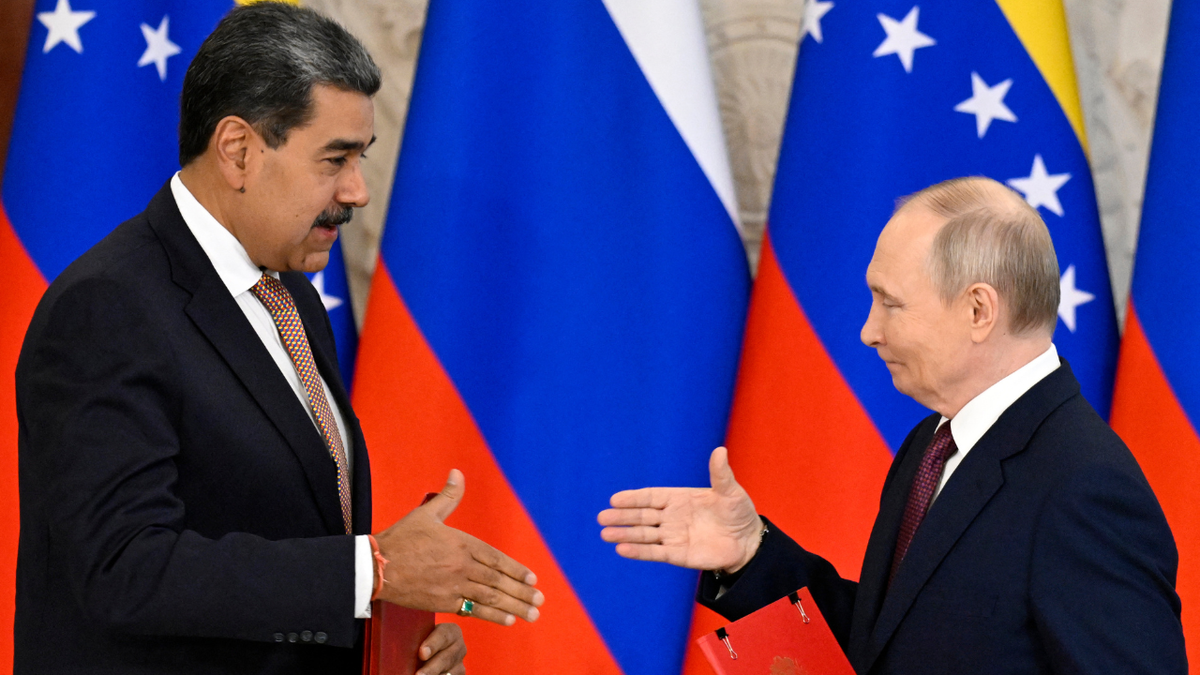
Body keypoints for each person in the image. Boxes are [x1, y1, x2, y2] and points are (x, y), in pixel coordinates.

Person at [14, 4, 542, 674]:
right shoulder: (108, 308)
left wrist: (387, 633)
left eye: (360, 158)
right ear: (238, 150)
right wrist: (372, 569)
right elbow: (125, 568)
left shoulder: (291, 295)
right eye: (335, 159)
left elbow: (294, 546)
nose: (357, 191)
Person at [598, 177, 1186, 673]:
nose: (868, 331)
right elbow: (888, 642)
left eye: (891, 303)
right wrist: (751, 553)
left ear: (978, 310)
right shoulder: (932, 445)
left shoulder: (1084, 486)